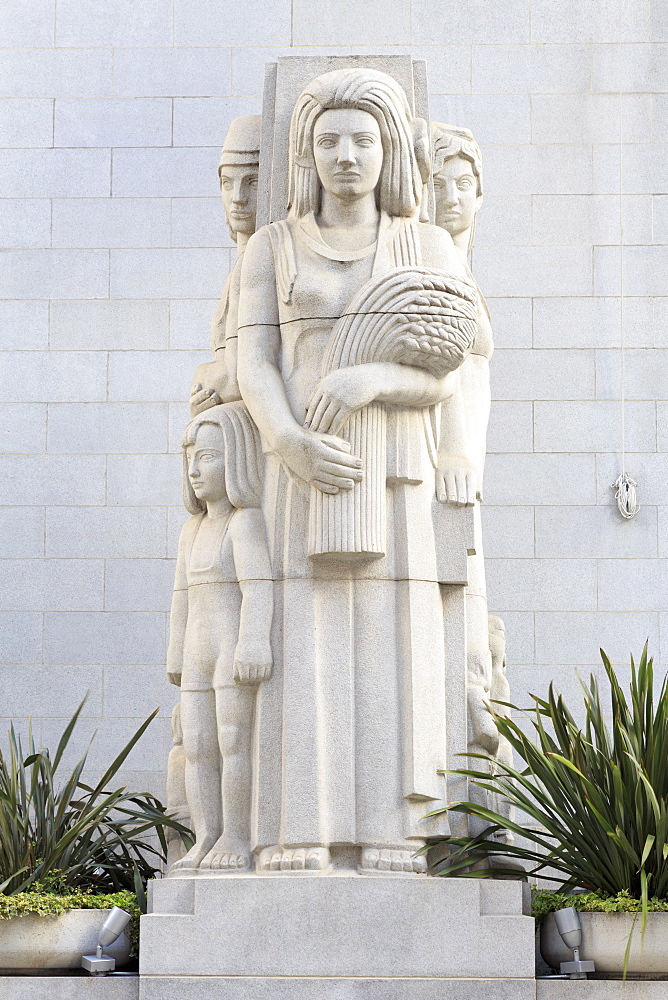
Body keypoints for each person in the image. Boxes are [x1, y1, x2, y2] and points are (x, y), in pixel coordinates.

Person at [237, 68, 481, 874]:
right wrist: (284, 441)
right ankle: (296, 833)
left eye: (364, 139)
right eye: (330, 139)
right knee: (304, 644)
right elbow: (254, 360)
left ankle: (392, 838)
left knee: (393, 646)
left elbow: (447, 370)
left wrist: (374, 379)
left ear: (390, 151)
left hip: (397, 471)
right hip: (303, 470)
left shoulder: (428, 245)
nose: (347, 155)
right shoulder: (273, 247)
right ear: (306, 152)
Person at [167, 402, 273, 871]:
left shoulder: (243, 521)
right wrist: (175, 651)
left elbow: (258, 587)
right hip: (196, 653)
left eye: (207, 457)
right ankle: (205, 835)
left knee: (233, 744)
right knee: (198, 747)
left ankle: (236, 834)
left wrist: (254, 641)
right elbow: (181, 596)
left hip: (230, 652)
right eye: (190, 457)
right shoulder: (192, 529)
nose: (195, 469)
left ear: (235, 461)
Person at [431, 123, 499, 764]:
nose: (450, 195)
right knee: (457, 584)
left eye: (463, 182)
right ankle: (467, 697)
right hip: (444, 466)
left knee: (470, 584)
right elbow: (446, 361)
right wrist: (452, 451)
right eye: (437, 182)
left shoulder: (460, 261)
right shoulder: (435, 260)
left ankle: (474, 689)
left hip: (466, 467)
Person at [190, 115, 262, 416]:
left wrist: (202, 377)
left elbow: (235, 381)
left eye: (252, 182)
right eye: (227, 183)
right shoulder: (242, 263)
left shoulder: (259, 261)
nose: (238, 198)